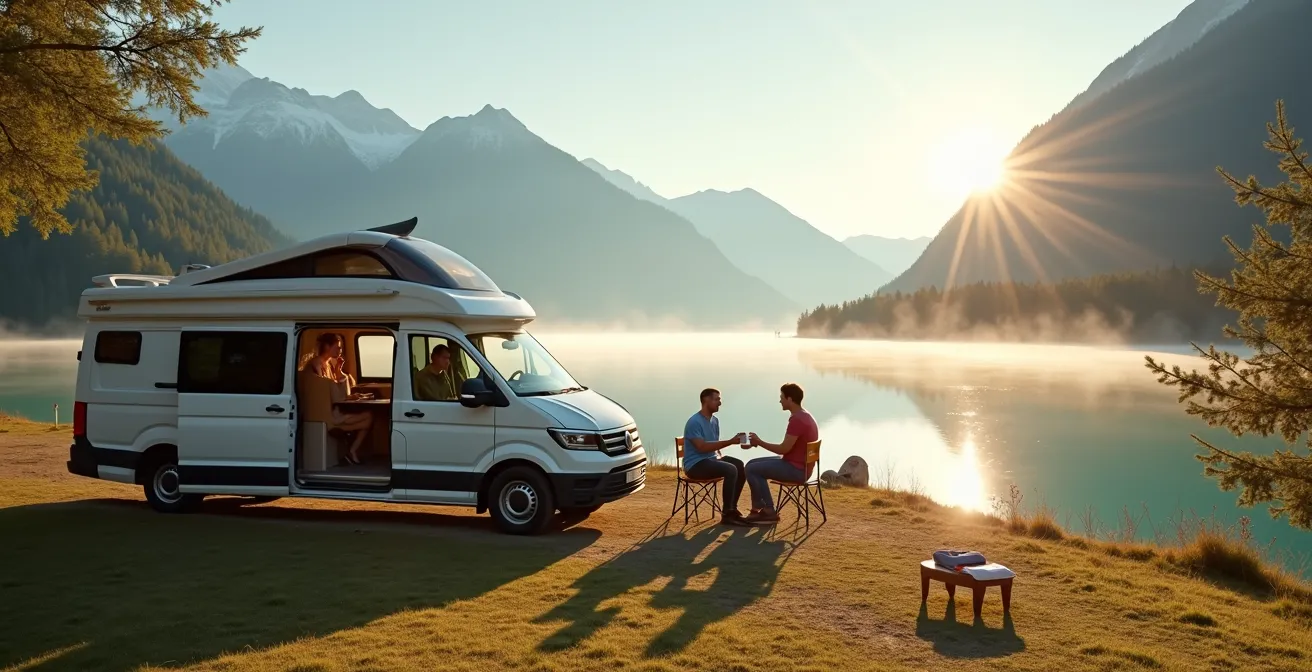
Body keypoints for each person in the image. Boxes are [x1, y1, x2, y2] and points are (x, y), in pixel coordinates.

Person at [744, 382, 819, 524]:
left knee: (751, 469)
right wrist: (758, 444)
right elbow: (787, 449)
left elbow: (784, 449)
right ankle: (758, 508)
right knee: (752, 464)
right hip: (800, 466)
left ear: (790, 399)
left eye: (782, 397)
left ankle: (768, 510)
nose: (780, 400)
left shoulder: (797, 419)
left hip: (796, 470)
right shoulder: (805, 415)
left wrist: (760, 442)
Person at [682, 388, 750, 526]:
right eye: (716, 399)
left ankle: (732, 508)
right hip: (695, 465)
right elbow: (701, 447)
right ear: (706, 400)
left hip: (710, 460)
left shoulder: (715, 421)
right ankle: (727, 515)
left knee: (739, 465)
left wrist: (727, 451)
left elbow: (714, 445)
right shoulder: (694, 422)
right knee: (730, 469)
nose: (720, 402)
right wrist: (730, 442)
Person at [304, 332, 373, 465]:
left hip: (333, 407)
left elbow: (336, 387)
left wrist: (338, 369)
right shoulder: (316, 364)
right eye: (338, 347)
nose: (340, 350)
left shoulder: (328, 364)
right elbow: (327, 389)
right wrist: (347, 396)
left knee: (369, 417)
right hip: (326, 413)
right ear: (327, 346)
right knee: (368, 417)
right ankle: (351, 450)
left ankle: (351, 451)